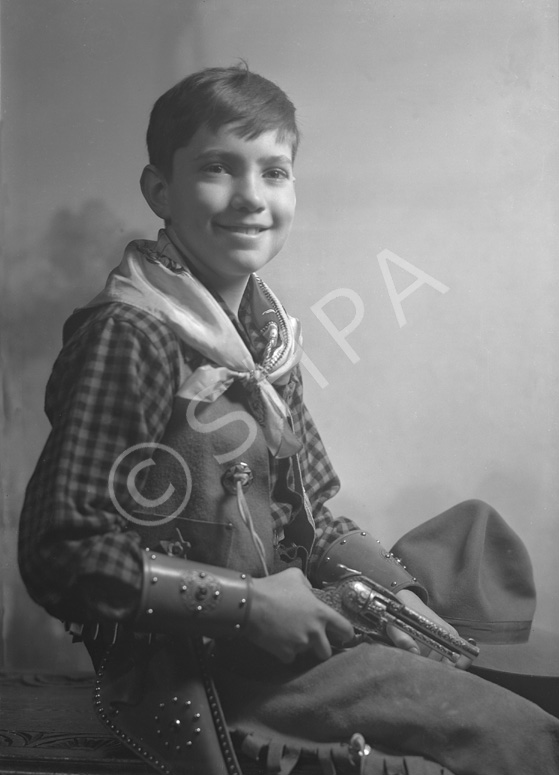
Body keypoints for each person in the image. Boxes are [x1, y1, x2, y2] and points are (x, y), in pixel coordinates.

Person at [18, 65, 559, 775]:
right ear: (160, 190)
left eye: (274, 172)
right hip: (199, 667)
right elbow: (62, 550)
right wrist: (246, 605)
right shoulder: (133, 333)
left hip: (284, 630)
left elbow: (310, 515)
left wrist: (397, 596)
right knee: (516, 738)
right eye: (217, 168)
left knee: (487, 656)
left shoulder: (267, 337)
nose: (250, 197)